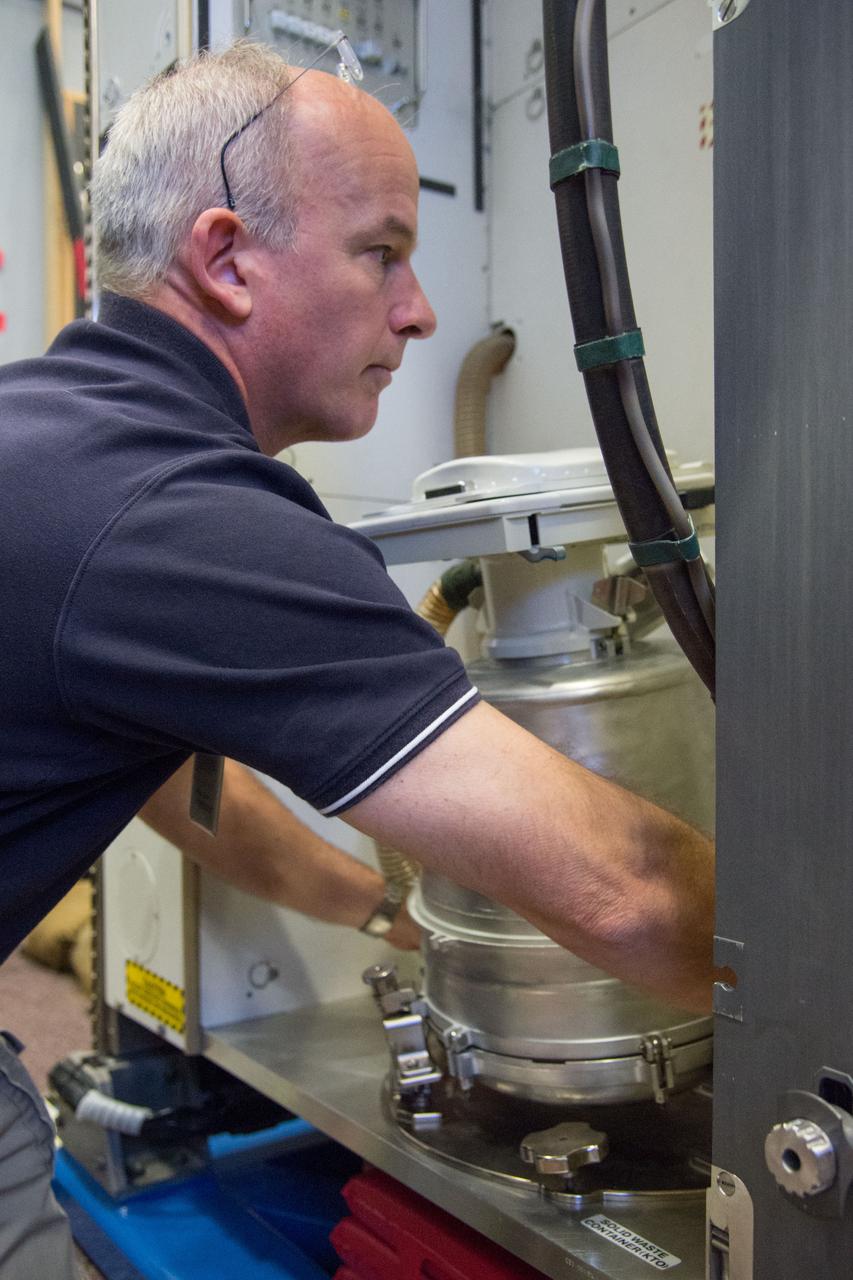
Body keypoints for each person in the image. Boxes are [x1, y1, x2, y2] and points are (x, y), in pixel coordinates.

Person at [0, 42, 714, 1277]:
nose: (419, 309)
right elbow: (630, 888)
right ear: (225, 259)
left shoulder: (54, 426)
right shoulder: (185, 517)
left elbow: (176, 785)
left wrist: (379, 904)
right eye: (381, 250)